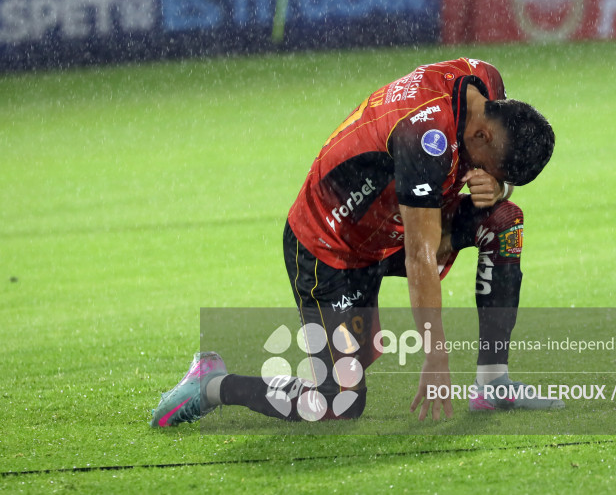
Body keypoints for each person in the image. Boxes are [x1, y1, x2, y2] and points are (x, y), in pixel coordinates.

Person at [151, 58, 561, 427]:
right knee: (338, 403)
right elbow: (421, 254)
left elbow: (470, 195)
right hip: (330, 247)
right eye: (486, 166)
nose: (484, 173)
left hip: (388, 231)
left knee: (504, 221)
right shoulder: (424, 136)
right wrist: (436, 357)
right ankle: (212, 384)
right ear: (483, 135)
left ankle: (492, 383)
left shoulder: (487, 84)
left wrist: (500, 187)